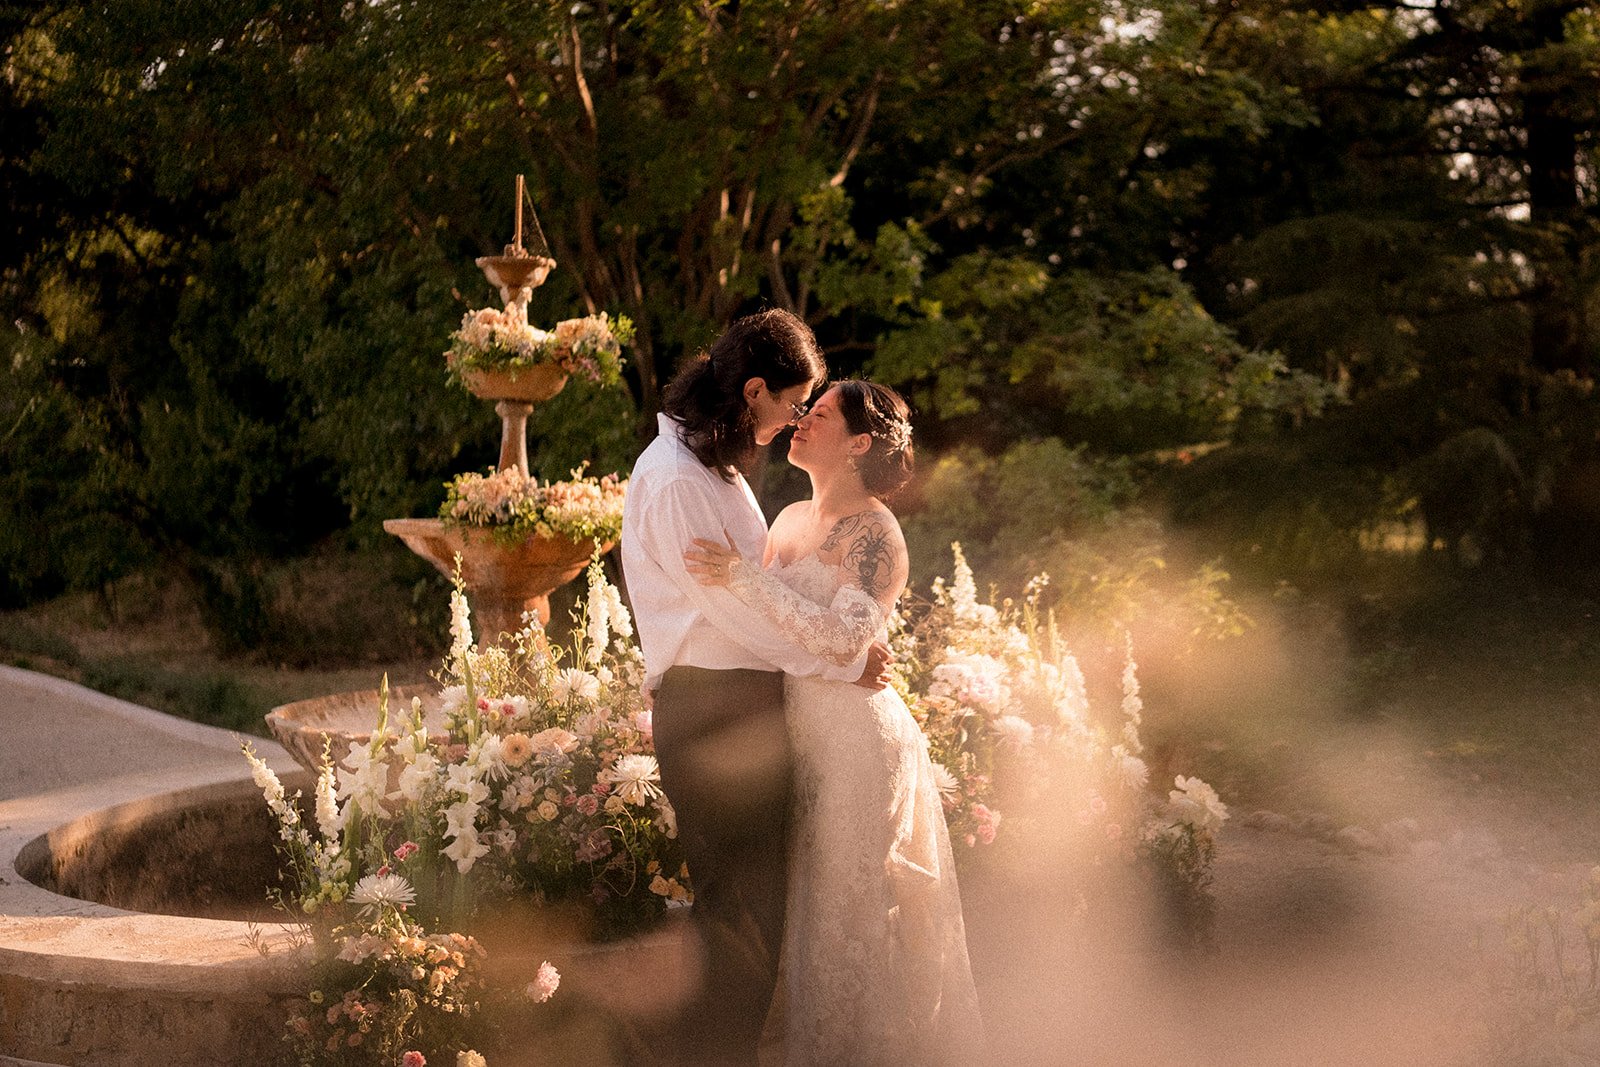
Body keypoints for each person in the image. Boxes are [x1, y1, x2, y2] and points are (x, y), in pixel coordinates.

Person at [620, 310, 891, 1065]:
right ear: (751, 391)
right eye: (793, 401)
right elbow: (738, 613)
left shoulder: (712, 464)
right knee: (740, 918)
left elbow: (757, 588)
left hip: (735, 703)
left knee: (748, 915)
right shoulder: (677, 479)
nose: (799, 417)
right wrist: (842, 660)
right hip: (714, 707)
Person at [684, 380, 983, 1065]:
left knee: (850, 911)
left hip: (857, 741)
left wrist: (744, 578)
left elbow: (844, 639)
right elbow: (770, 630)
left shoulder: (877, 533)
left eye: (818, 414)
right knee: (800, 907)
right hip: (794, 733)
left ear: (858, 443)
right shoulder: (785, 520)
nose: (801, 419)